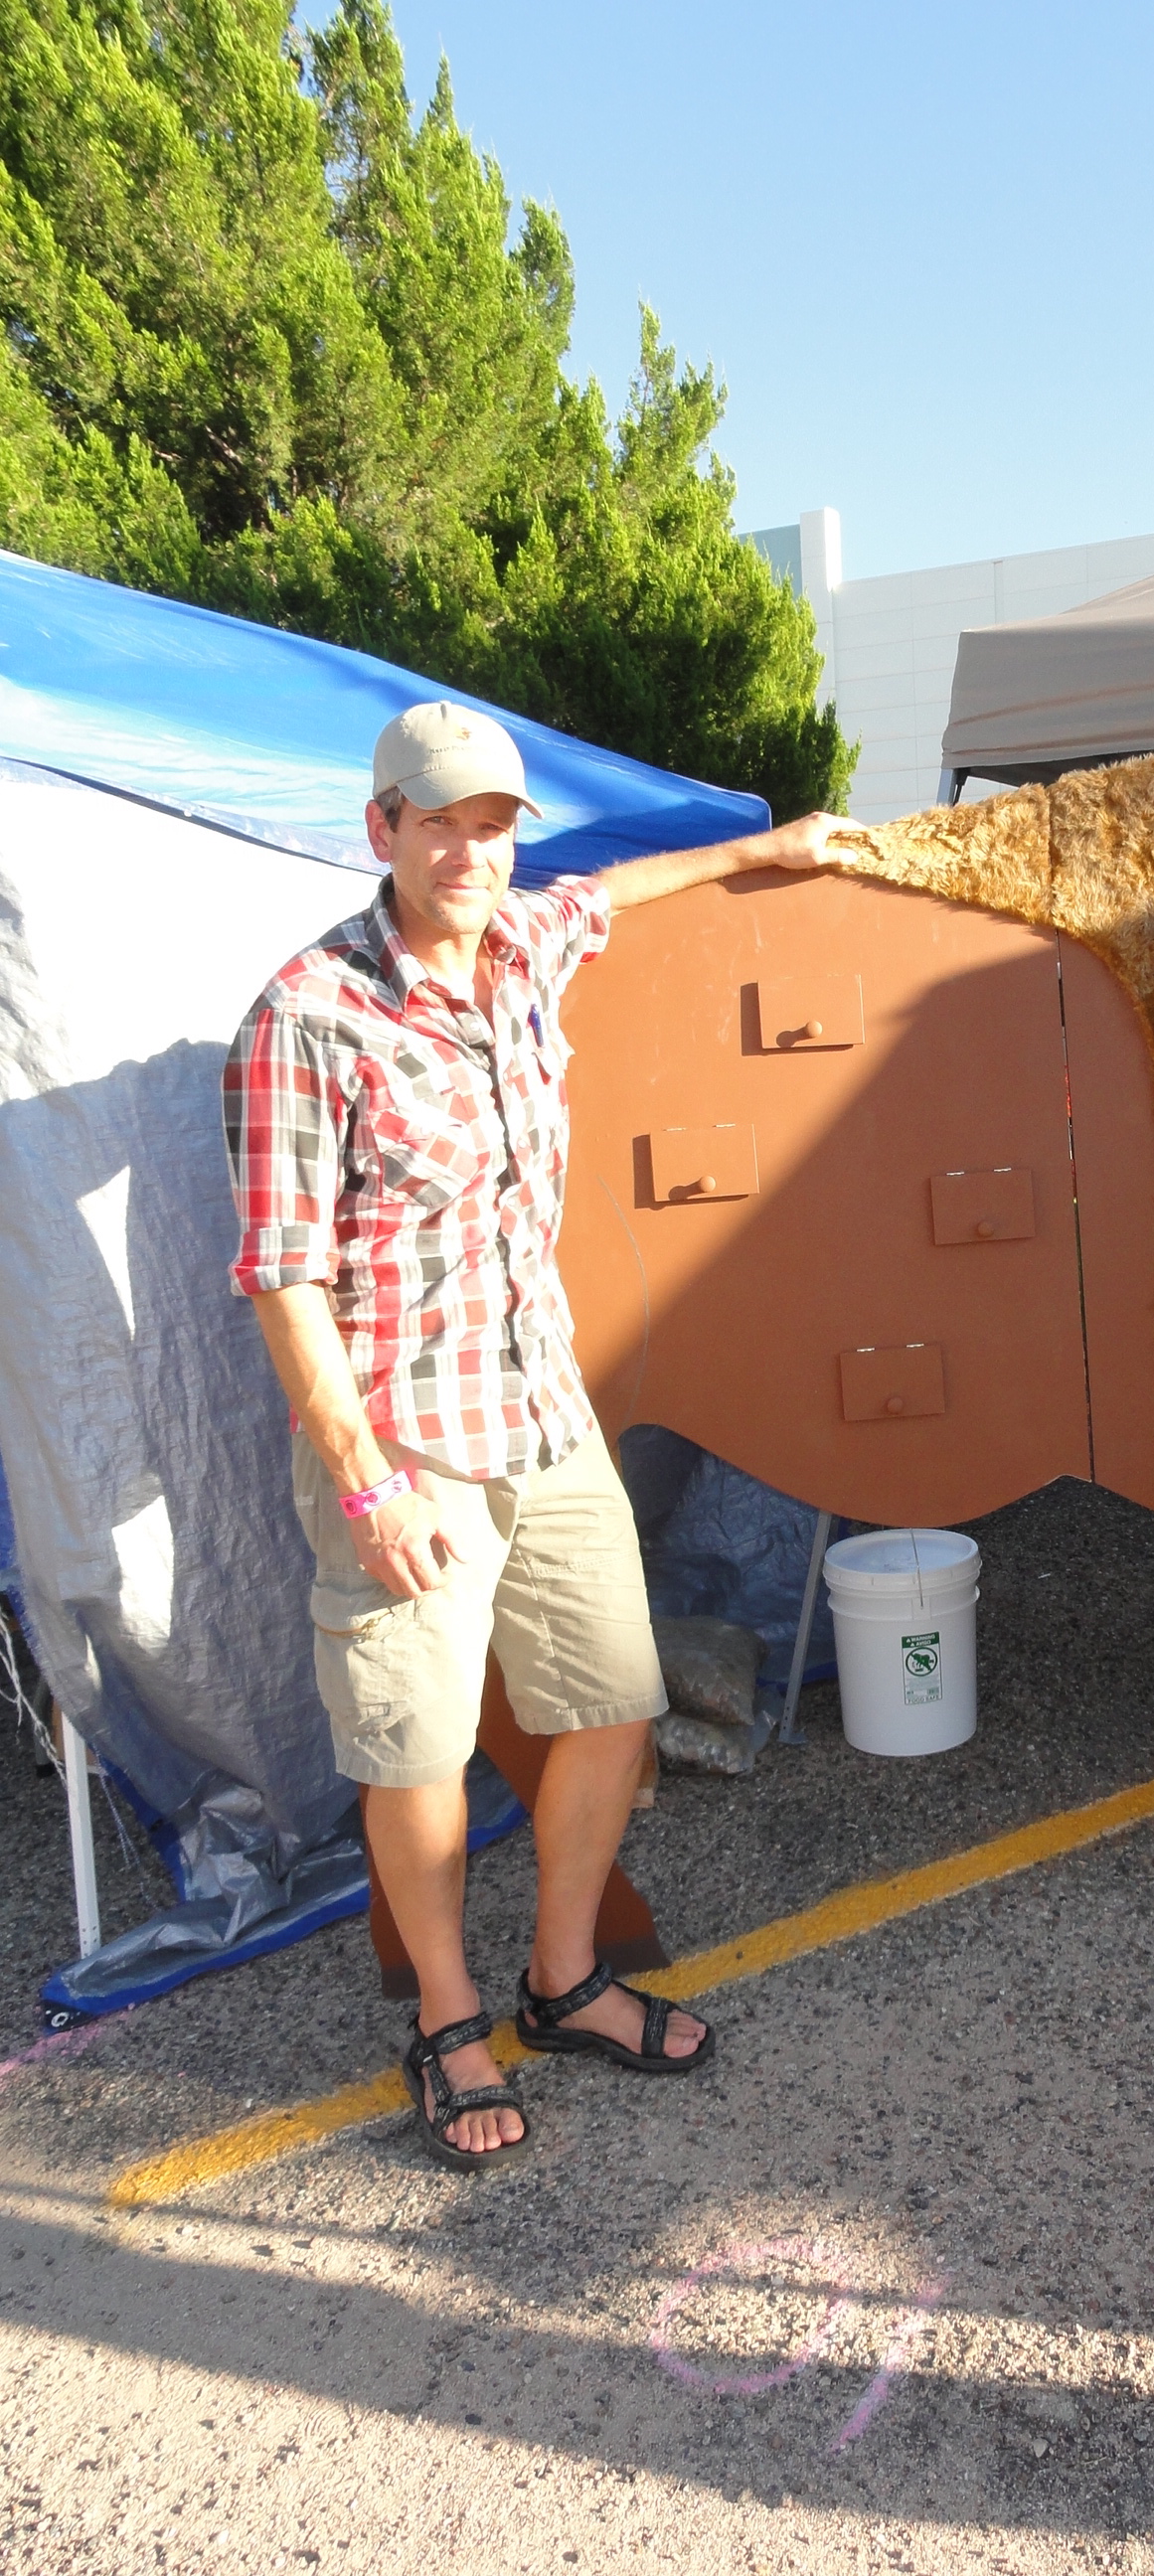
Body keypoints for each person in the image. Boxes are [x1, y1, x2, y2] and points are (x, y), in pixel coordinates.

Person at [225, 701, 840, 2172]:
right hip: (405, 1445)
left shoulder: (524, 946)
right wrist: (366, 1484)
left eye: (493, 821)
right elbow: (283, 1282)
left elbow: (613, 895)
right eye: (438, 819)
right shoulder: (307, 1017)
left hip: (543, 1412)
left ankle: (561, 1979)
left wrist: (780, 846)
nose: (469, 847)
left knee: (615, 1703)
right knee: (419, 1747)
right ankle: (448, 2021)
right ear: (380, 828)